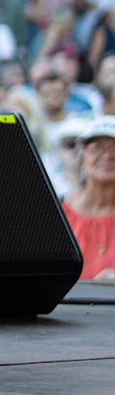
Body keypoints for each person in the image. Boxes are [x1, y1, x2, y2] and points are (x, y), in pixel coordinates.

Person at [61, 116, 115, 281]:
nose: (107, 156)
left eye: (114, 149)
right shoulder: (59, 209)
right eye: (97, 148)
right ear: (82, 158)